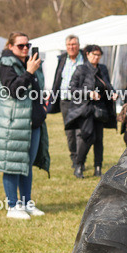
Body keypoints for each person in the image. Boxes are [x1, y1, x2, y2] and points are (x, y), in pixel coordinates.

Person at [0, 32, 50, 219]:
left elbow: (37, 90)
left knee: (26, 165)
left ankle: (27, 203)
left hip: (33, 122)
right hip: (14, 123)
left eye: (27, 45)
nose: (25, 48)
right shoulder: (5, 65)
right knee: (12, 165)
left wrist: (42, 109)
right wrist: (29, 72)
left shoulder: (31, 62)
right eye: (20, 45)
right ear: (10, 46)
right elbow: (15, 91)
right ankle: (13, 206)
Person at [47, 35, 90, 177]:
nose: (71, 47)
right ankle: (74, 157)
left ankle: (80, 160)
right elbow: (57, 79)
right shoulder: (62, 59)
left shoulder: (85, 59)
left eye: (74, 44)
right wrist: (52, 95)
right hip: (65, 101)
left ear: (79, 45)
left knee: (81, 132)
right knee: (70, 132)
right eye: (69, 45)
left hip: (81, 101)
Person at [81, 44, 114, 177]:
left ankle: (98, 167)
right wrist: (88, 93)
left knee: (99, 139)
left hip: (100, 108)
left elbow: (107, 84)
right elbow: (73, 89)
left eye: (99, 55)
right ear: (87, 54)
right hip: (86, 108)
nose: (96, 57)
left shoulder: (102, 68)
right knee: (88, 137)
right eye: (94, 54)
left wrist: (113, 93)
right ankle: (79, 164)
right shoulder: (81, 69)